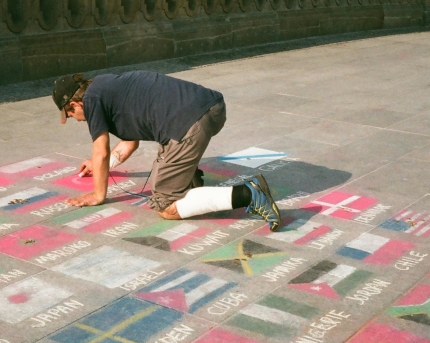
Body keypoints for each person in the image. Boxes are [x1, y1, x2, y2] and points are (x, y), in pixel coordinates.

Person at [53, 72, 281, 230]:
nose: (75, 120)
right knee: (167, 164)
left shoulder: (92, 101)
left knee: (165, 205)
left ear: (74, 104)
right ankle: (189, 179)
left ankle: (250, 194)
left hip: (189, 123)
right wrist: (102, 167)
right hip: (210, 107)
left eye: (70, 115)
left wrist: (97, 195)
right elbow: (129, 143)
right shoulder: (104, 87)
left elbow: (100, 151)